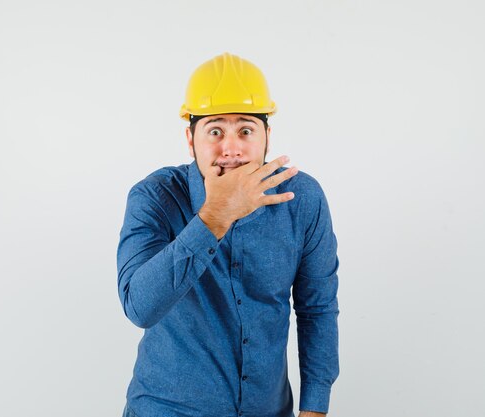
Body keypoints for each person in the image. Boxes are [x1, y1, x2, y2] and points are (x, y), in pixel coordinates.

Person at [117, 52, 340, 417]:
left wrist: (315, 407)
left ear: (267, 136)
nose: (231, 149)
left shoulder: (303, 199)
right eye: (215, 131)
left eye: (246, 130)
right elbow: (139, 307)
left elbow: (317, 308)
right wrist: (214, 216)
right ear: (191, 139)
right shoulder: (154, 197)